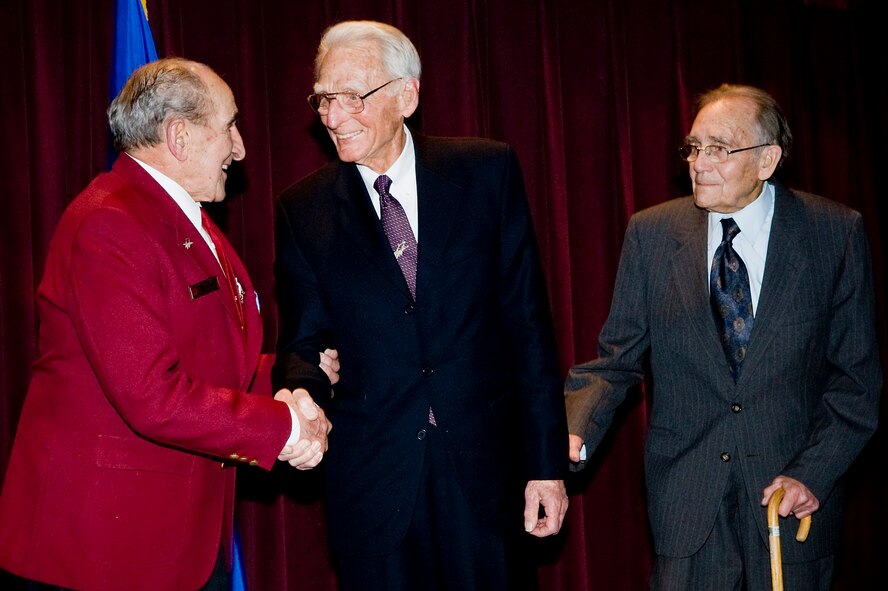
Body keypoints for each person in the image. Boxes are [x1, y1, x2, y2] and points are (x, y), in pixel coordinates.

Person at [0, 58, 337, 591]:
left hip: (178, 539)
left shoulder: (182, 217)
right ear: (179, 136)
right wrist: (285, 427)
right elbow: (151, 394)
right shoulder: (109, 224)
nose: (241, 147)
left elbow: (202, 353)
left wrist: (291, 373)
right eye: (229, 126)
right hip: (105, 551)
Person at [273, 20, 568, 590]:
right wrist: (302, 391)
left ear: (406, 95)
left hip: (484, 476)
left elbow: (527, 327)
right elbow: (304, 340)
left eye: (353, 97)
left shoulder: (486, 173)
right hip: (375, 485)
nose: (334, 117)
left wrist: (545, 465)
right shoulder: (303, 209)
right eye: (324, 100)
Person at [564, 83, 882, 590]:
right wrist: (573, 429)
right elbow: (616, 359)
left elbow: (856, 384)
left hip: (790, 511)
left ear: (767, 160)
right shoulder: (651, 234)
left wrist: (812, 474)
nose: (699, 163)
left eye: (719, 149)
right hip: (688, 509)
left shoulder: (833, 233)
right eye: (693, 147)